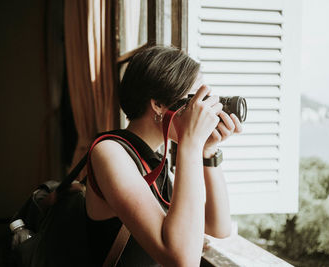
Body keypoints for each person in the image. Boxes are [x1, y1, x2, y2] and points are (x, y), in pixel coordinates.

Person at [85, 46, 242, 266]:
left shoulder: (154, 159)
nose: (203, 110)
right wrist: (192, 144)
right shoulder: (110, 152)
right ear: (158, 104)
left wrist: (208, 152)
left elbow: (219, 227)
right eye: (195, 100)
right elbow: (182, 260)